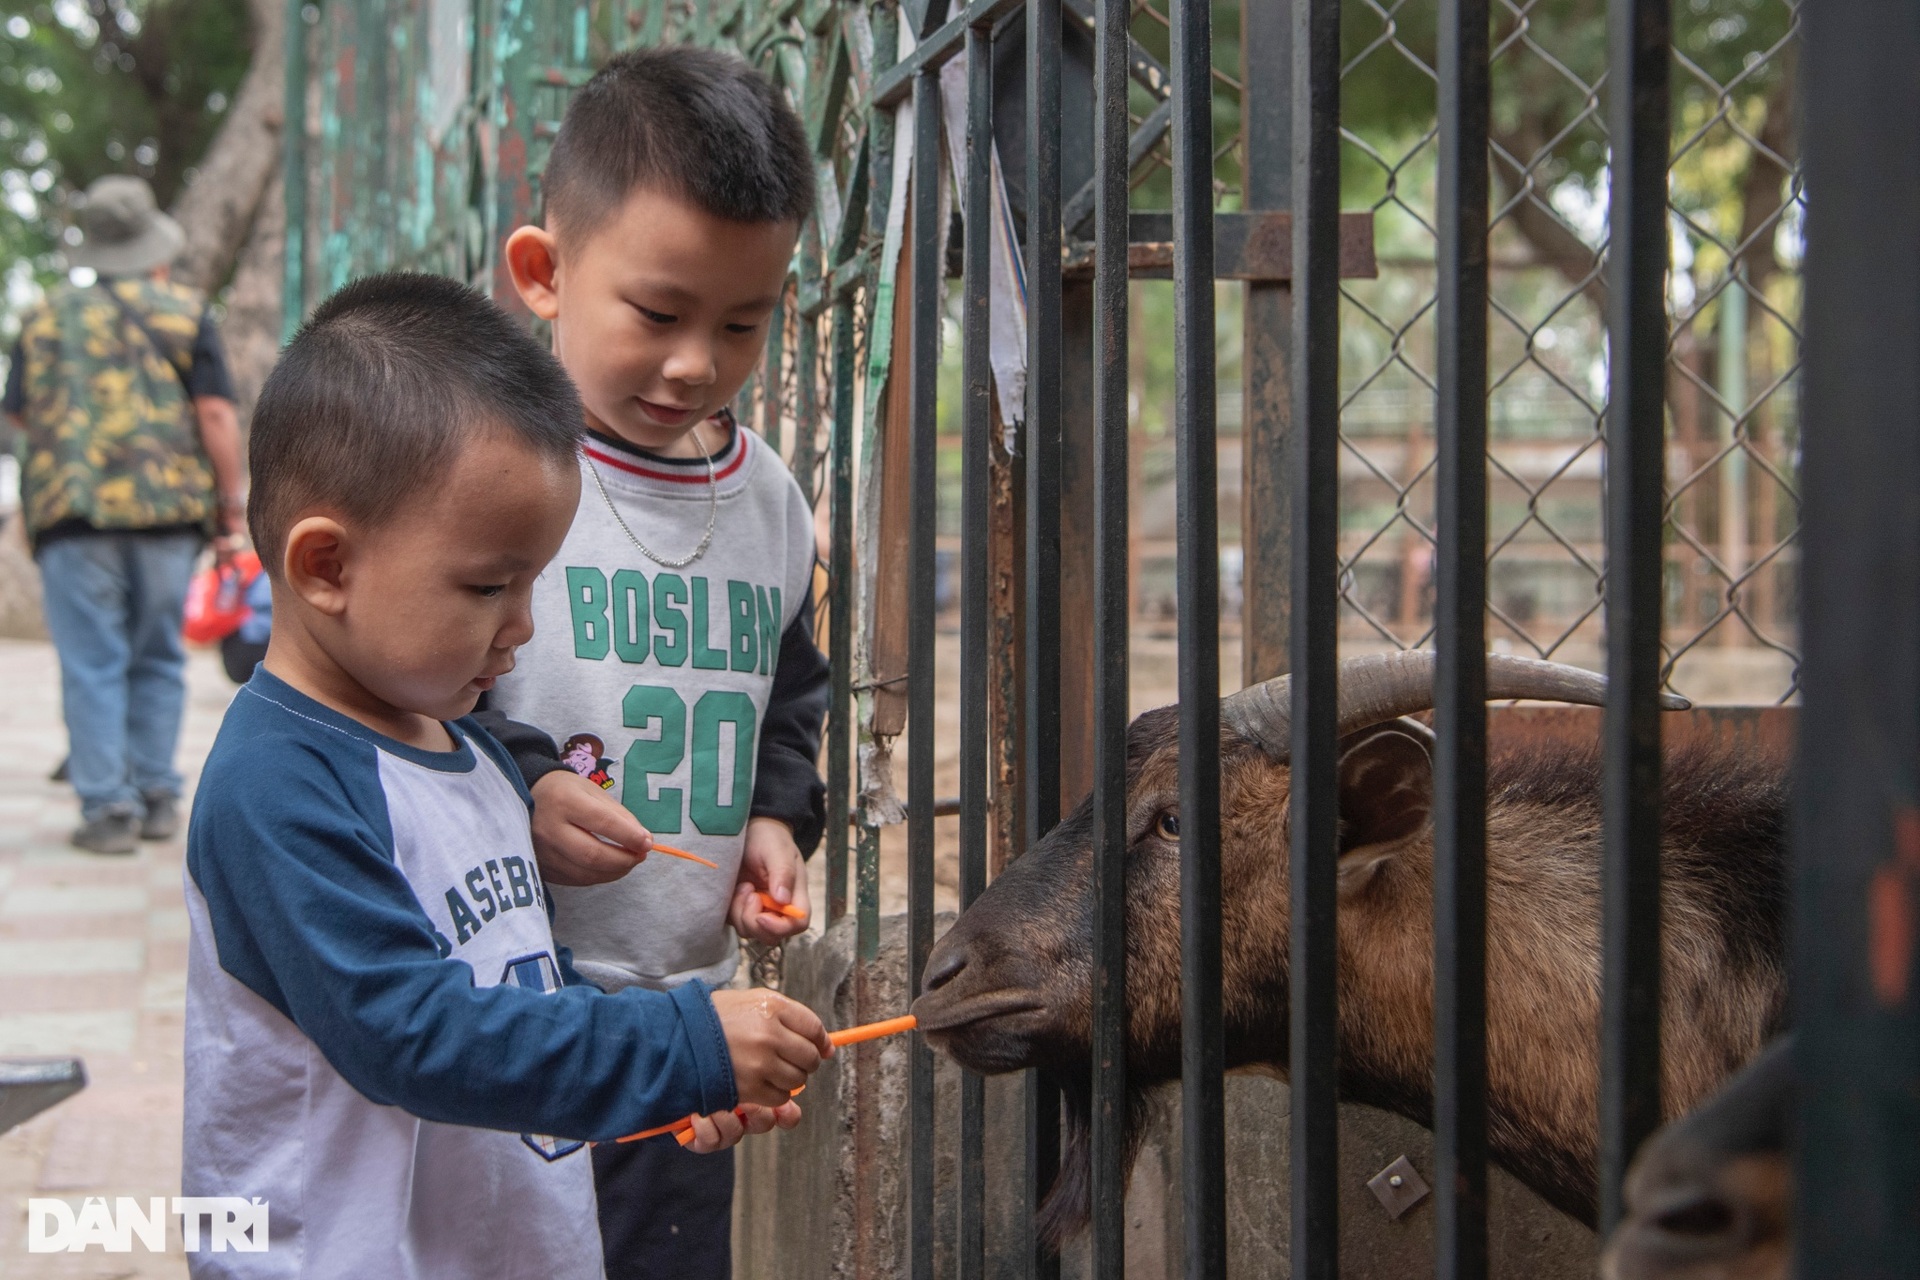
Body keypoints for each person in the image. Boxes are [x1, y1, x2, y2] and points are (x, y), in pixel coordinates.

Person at [183, 273, 832, 1279]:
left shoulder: (478, 752)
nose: (522, 627)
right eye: (491, 584)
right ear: (326, 566)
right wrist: (680, 1046)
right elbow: (417, 1035)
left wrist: (667, 1087)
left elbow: (521, 980)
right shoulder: (280, 786)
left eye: (533, 581)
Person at [474, 47, 828, 1280]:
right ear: (545, 275)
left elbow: (790, 685)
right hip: (515, 1004)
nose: (697, 362)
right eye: (658, 313)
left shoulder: (770, 500)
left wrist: (778, 813)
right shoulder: (490, 475)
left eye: (742, 322)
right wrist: (521, 780)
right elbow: (398, 693)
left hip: (687, 1009)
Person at [3, 174, 247, 853]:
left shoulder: (45, 317)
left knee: (91, 661)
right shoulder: (185, 311)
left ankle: (107, 808)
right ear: (152, 245)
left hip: (73, 514)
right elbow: (216, 414)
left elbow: (16, 413)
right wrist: (230, 507)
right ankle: (157, 793)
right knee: (158, 655)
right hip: (167, 511)